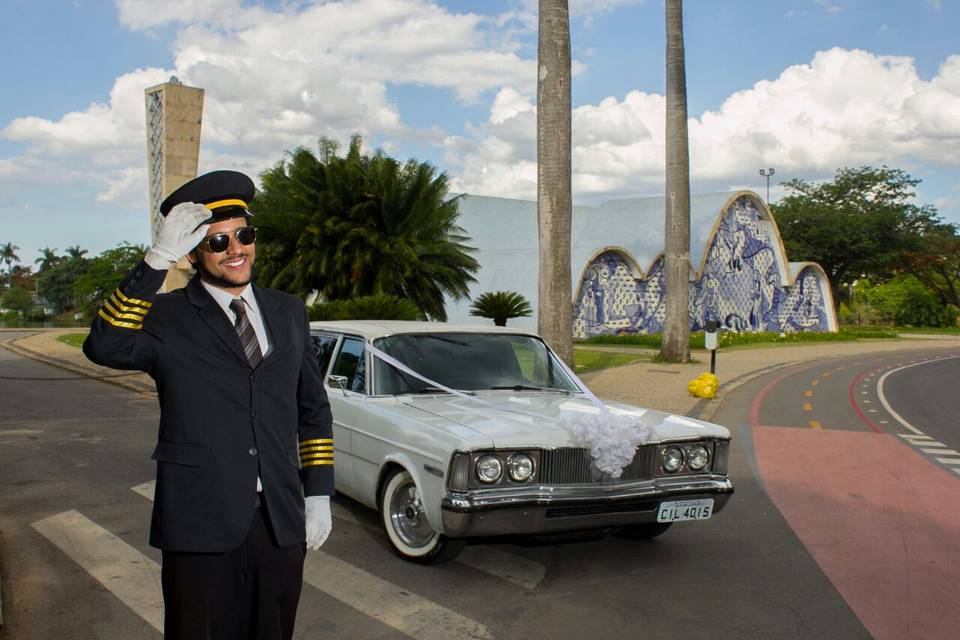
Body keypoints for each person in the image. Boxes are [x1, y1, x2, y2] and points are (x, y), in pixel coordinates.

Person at [83, 170, 334, 640]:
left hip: (279, 518)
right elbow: (105, 346)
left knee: (274, 630)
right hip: (199, 518)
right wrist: (157, 259)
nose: (235, 249)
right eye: (217, 242)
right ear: (194, 253)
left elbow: (312, 409)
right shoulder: (167, 316)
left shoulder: (289, 310)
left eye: (243, 235)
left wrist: (318, 491)